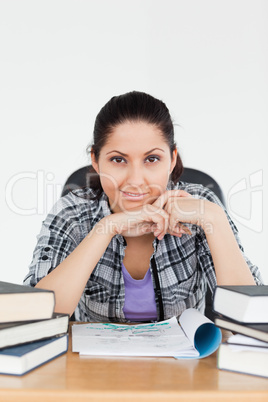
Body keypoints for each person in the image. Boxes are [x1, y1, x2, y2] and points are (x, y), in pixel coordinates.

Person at [24, 91, 263, 322]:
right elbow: (36, 315)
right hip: (95, 363)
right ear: (95, 160)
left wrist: (214, 218)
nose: (136, 180)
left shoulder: (201, 206)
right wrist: (106, 228)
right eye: (118, 160)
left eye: (152, 159)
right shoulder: (72, 213)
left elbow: (250, 318)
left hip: (185, 363)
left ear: (172, 159)